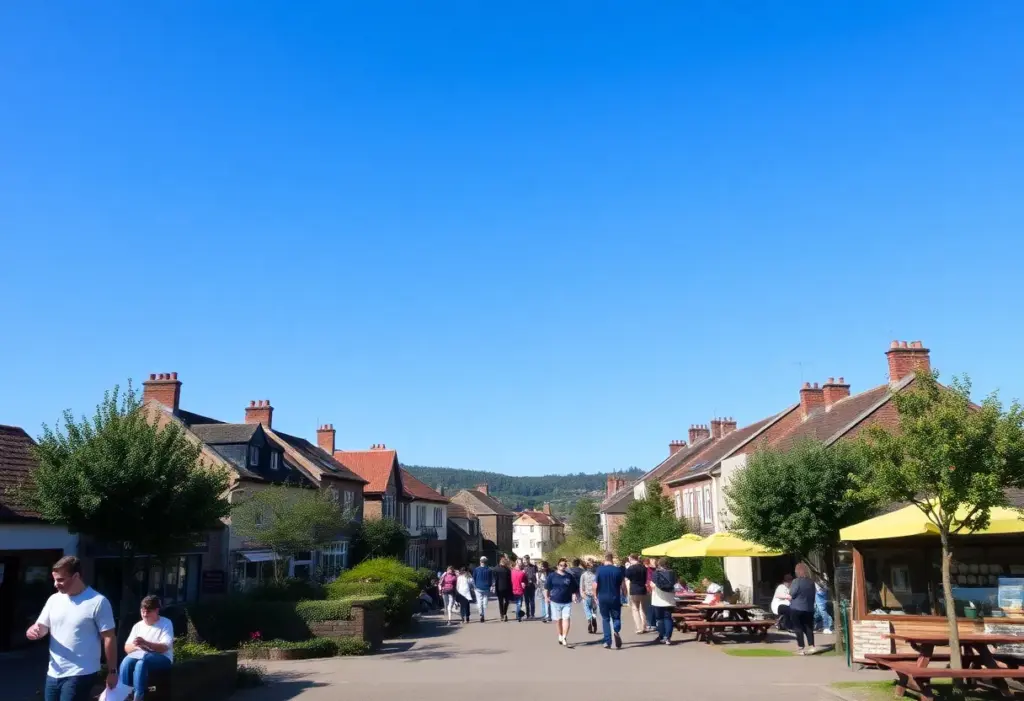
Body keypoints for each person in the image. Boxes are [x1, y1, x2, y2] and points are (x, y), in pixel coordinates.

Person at [26, 556, 117, 701]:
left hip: (81, 673)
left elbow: (109, 637)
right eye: (54, 579)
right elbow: (42, 627)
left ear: (76, 576)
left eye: (60, 580)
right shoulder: (54, 600)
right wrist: (34, 631)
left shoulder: (97, 602)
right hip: (54, 673)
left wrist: (112, 671)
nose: (56, 584)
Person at [118, 595, 174, 701]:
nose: (144, 615)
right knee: (126, 661)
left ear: (156, 611)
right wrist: (137, 646)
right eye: (142, 611)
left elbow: (164, 648)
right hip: (140, 655)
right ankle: (123, 694)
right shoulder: (138, 626)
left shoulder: (166, 623)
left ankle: (138, 697)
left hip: (162, 658)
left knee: (141, 663)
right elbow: (127, 648)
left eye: (148, 612)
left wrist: (146, 643)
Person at [594, 552, 626, 649]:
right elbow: (623, 585)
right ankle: (616, 630)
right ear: (612, 559)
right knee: (616, 617)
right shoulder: (618, 570)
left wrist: (595, 596)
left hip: (602, 597)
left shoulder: (599, 570)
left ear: (605, 559)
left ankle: (607, 641)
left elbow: (595, 585)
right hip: (615, 597)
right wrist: (624, 595)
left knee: (605, 619)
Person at [545, 558, 579, 647]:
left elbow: (575, 587)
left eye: (564, 565)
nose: (563, 567)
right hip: (555, 601)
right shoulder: (552, 576)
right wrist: (546, 597)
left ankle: (564, 637)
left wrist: (574, 594)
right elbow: (547, 588)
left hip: (566, 602)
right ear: (557, 566)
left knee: (566, 618)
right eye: (561, 565)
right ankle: (560, 634)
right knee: (558, 620)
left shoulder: (569, 576)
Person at [789, 563, 817, 654]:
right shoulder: (811, 582)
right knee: (809, 627)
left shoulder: (796, 581)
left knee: (798, 628)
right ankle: (812, 646)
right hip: (809, 608)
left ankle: (801, 648)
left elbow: (792, 593)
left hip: (796, 608)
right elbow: (813, 595)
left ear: (797, 571)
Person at [649, 558, 678, 645]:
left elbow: (652, 586)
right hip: (669, 599)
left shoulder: (655, 574)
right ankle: (668, 638)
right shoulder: (672, 573)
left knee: (660, 619)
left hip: (658, 599)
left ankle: (662, 636)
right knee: (668, 618)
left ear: (659, 564)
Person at [624, 554, 650, 635]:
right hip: (643, 589)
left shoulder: (630, 568)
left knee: (635, 609)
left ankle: (639, 628)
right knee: (643, 609)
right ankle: (644, 626)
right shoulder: (644, 568)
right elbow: (646, 578)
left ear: (631, 559)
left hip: (634, 590)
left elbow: (627, 577)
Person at [579, 558, 599, 635]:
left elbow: (581, 585)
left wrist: (582, 593)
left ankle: (589, 619)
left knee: (587, 609)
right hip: (593, 595)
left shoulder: (583, 575)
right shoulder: (596, 574)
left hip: (588, 594)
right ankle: (593, 618)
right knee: (594, 609)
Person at [472, 556, 493, 622]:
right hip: (486, 587)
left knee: (479, 601)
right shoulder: (489, 570)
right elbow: (490, 580)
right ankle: (482, 613)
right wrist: (490, 586)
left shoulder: (476, 569)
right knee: (485, 601)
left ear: (480, 561)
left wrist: (474, 586)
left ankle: (481, 613)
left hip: (478, 587)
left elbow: (473, 578)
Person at [494, 557, 514, 622]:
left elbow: (496, 579)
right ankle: (504, 614)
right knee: (506, 602)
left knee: (501, 602)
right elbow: (510, 580)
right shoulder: (508, 570)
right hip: (507, 588)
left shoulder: (496, 569)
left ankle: (502, 615)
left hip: (500, 588)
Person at [521, 555, 538, 619]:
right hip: (525, 586)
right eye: (524, 560)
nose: (525, 561)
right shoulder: (522, 567)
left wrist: (536, 583)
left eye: (526, 560)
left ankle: (532, 614)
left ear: (528, 559)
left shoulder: (534, 567)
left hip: (532, 585)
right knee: (526, 601)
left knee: (532, 600)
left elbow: (536, 575)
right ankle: (527, 615)